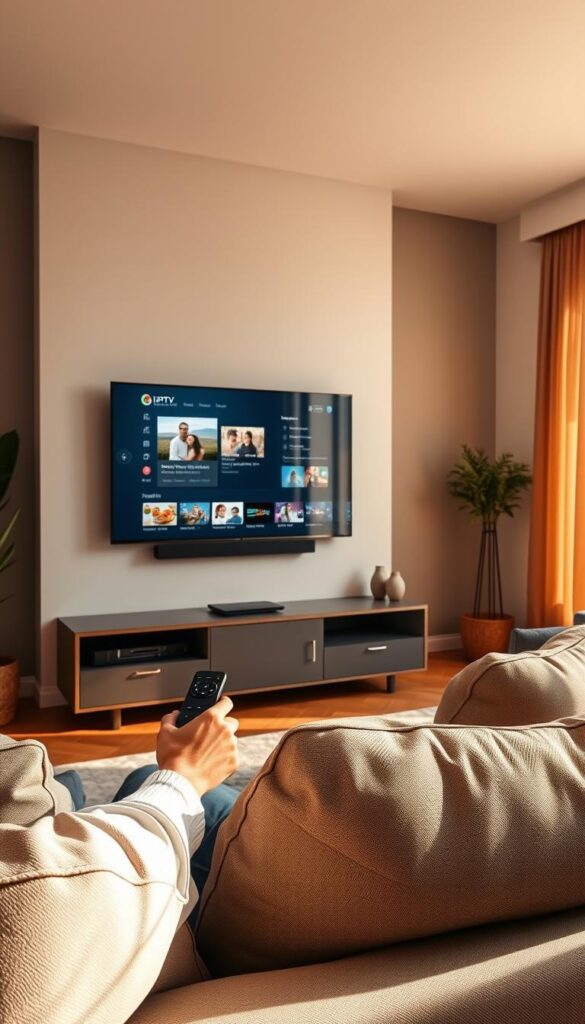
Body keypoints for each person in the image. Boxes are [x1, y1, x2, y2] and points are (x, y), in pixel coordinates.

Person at [0, 700, 239, 1022]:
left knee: (83, 784)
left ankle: (68, 797)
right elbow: (75, 876)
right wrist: (183, 778)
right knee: (165, 782)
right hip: (162, 960)